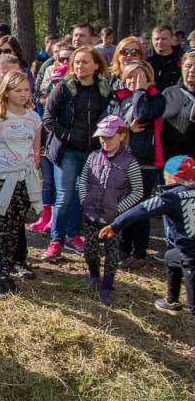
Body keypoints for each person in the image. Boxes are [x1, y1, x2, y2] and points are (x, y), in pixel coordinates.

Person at [0, 71, 42, 300]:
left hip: (23, 179)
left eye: (26, 90)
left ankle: (6, 274)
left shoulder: (33, 117)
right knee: (1, 230)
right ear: (6, 91)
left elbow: (35, 151)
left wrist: (32, 175)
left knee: (14, 229)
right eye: (18, 90)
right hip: (2, 179)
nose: (23, 94)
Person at [41, 46, 112, 262]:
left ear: (96, 65)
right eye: (77, 62)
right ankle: (56, 242)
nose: (80, 66)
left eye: (85, 62)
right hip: (67, 151)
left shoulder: (105, 90)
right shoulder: (65, 87)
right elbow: (48, 118)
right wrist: (69, 136)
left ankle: (75, 236)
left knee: (85, 198)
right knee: (64, 196)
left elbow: (110, 117)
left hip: (93, 151)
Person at [100, 155, 195, 316]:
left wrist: (116, 225)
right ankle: (172, 302)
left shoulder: (171, 197)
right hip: (183, 252)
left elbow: (142, 209)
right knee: (172, 257)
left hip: (191, 256)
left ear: (172, 177)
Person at [104, 61, 165, 270]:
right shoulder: (118, 100)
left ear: (149, 78)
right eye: (130, 77)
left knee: (140, 207)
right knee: (124, 206)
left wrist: (140, 91)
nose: (133, 81)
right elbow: (110, 127)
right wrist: (127, 129)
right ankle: (124, 247)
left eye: (139, 77)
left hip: (145, 162)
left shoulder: (156, 99)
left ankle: (139, 253)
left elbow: (142, 115)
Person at [77, 116, 143, 305]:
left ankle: (107, 284)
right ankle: (94, 275)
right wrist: (84, 200)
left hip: (113, 219)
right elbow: (83, 180)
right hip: (91, 214)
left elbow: (138, 191)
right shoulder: (93, 157)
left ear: (122, 135)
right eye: (102, 137)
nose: (105, 141)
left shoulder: (130, 162)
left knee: (112, 251)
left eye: (110, 137)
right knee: (90, 249)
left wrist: (118, 209)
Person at [161, 51, 195, 161]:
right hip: (166, 162)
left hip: (191, 164)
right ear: (182, 67)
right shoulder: (168, 94)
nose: (192, 70)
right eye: (188, 66)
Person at [147, 24, 182, 92]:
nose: (160, 42)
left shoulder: (180, 59)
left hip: (172, 99)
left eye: (164, 39)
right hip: (148, 99)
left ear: (172, 38)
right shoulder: (144, 57)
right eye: (157, 39)